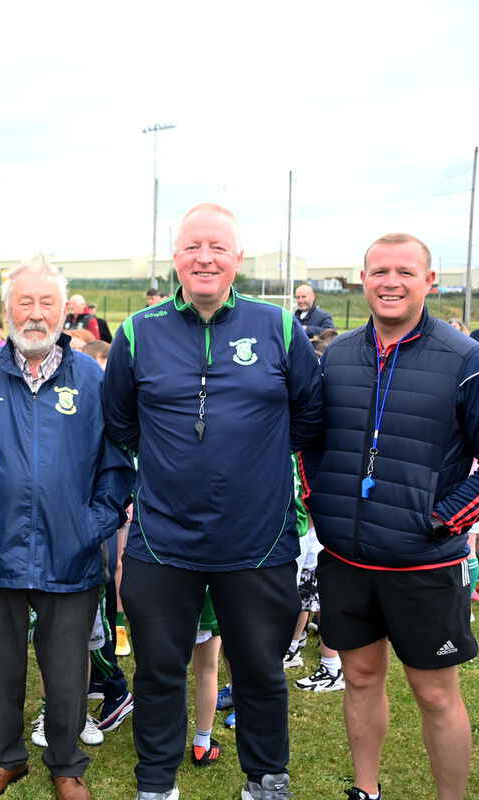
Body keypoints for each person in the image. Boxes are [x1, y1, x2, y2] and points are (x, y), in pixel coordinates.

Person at [102, 203, 323, 800]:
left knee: (258, 672)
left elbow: (308, 415)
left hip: (257, 542)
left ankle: (265, 779)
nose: (205, 258)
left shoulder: (278, 327)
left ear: (237, 260)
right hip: (162, 541)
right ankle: (156, 784)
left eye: (218, 248)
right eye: (193, 246)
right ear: (175, 257)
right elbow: (120, 423)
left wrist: (252, 462)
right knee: (157, 673)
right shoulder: (136, 332)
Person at [304, 232, 479, 800]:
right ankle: (366, 790)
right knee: (359, 678)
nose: (390, 282)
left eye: (405, 271)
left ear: (430, 281)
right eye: (379, 271)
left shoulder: (469, 361)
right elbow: (312, 441)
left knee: (434, 695)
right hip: (346, 559)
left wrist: (441, 520)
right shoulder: (338, 357)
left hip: (422, 565)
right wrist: (320, 499)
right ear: (363, 279)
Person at [0, 255, 132, 800]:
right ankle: (5, 758)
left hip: (70, 552)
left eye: (46, 303)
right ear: (6, 308)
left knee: (66, 675)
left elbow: (116, 462)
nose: (35, 314)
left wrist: (93, 524)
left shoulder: (92, 377)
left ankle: (66, 764)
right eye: (25, 302)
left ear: (64, 310)